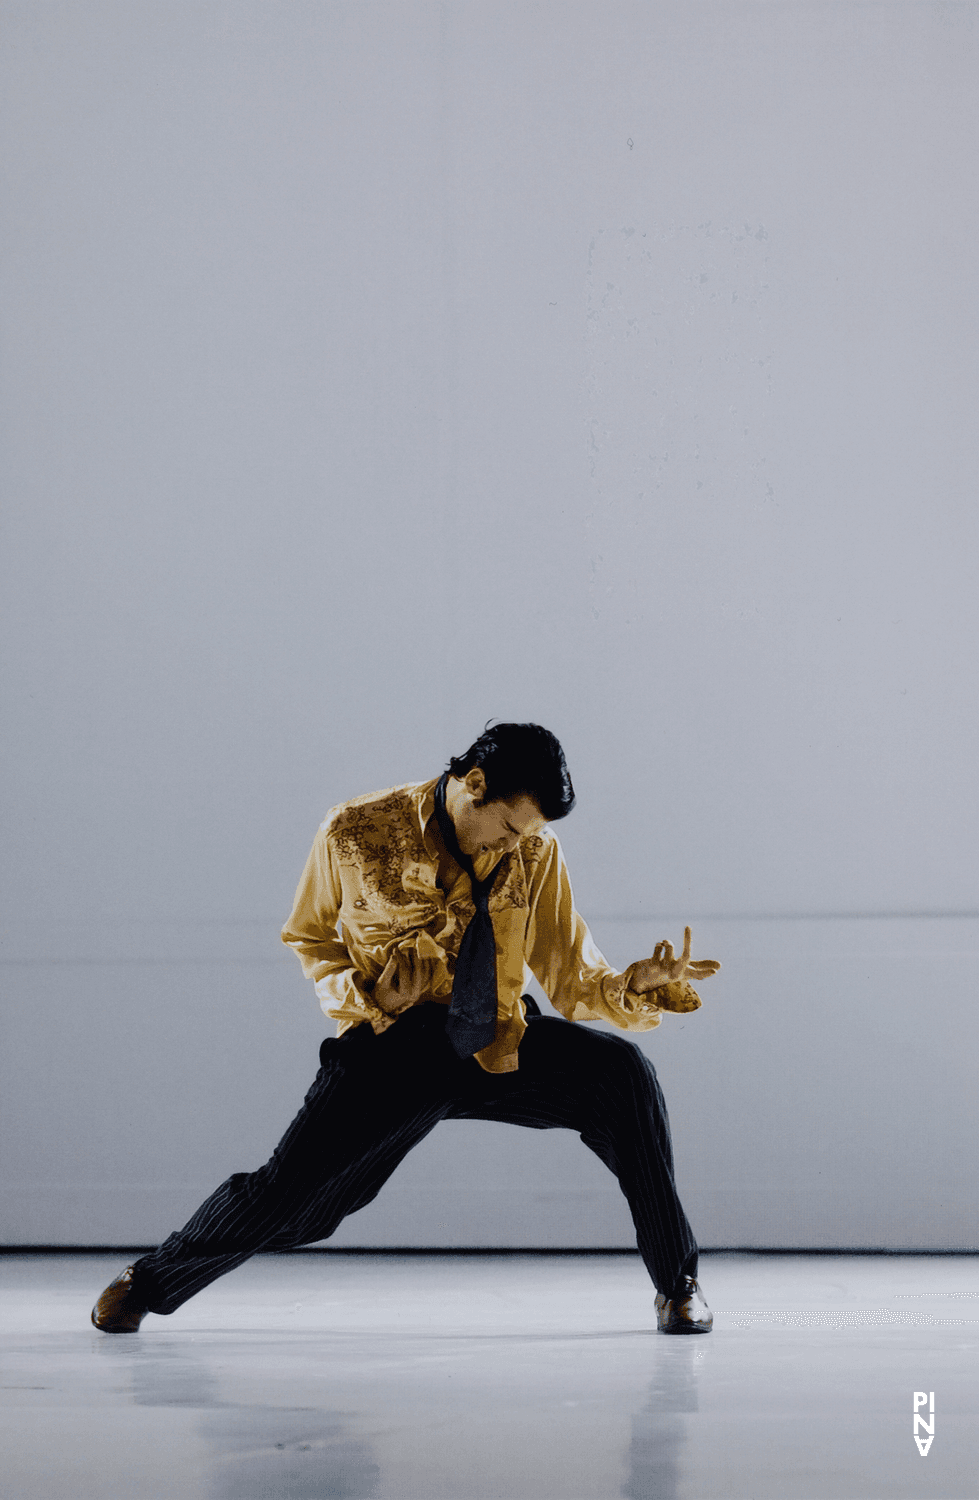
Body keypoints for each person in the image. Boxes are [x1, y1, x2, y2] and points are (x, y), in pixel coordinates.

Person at [92, 722, 721, 1335]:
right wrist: (370, 995)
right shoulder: (355, 831)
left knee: (622, 1076)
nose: (514, 845)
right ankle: (147, 1283)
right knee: (299, 1208)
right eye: (507, 828)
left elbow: (569, 973)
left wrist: (630, 986)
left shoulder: (534, 848)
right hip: (396, 1046)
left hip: (496, 1040)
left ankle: (677, 1285)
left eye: (526, 835)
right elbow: (308, 939)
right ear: (474, 782)